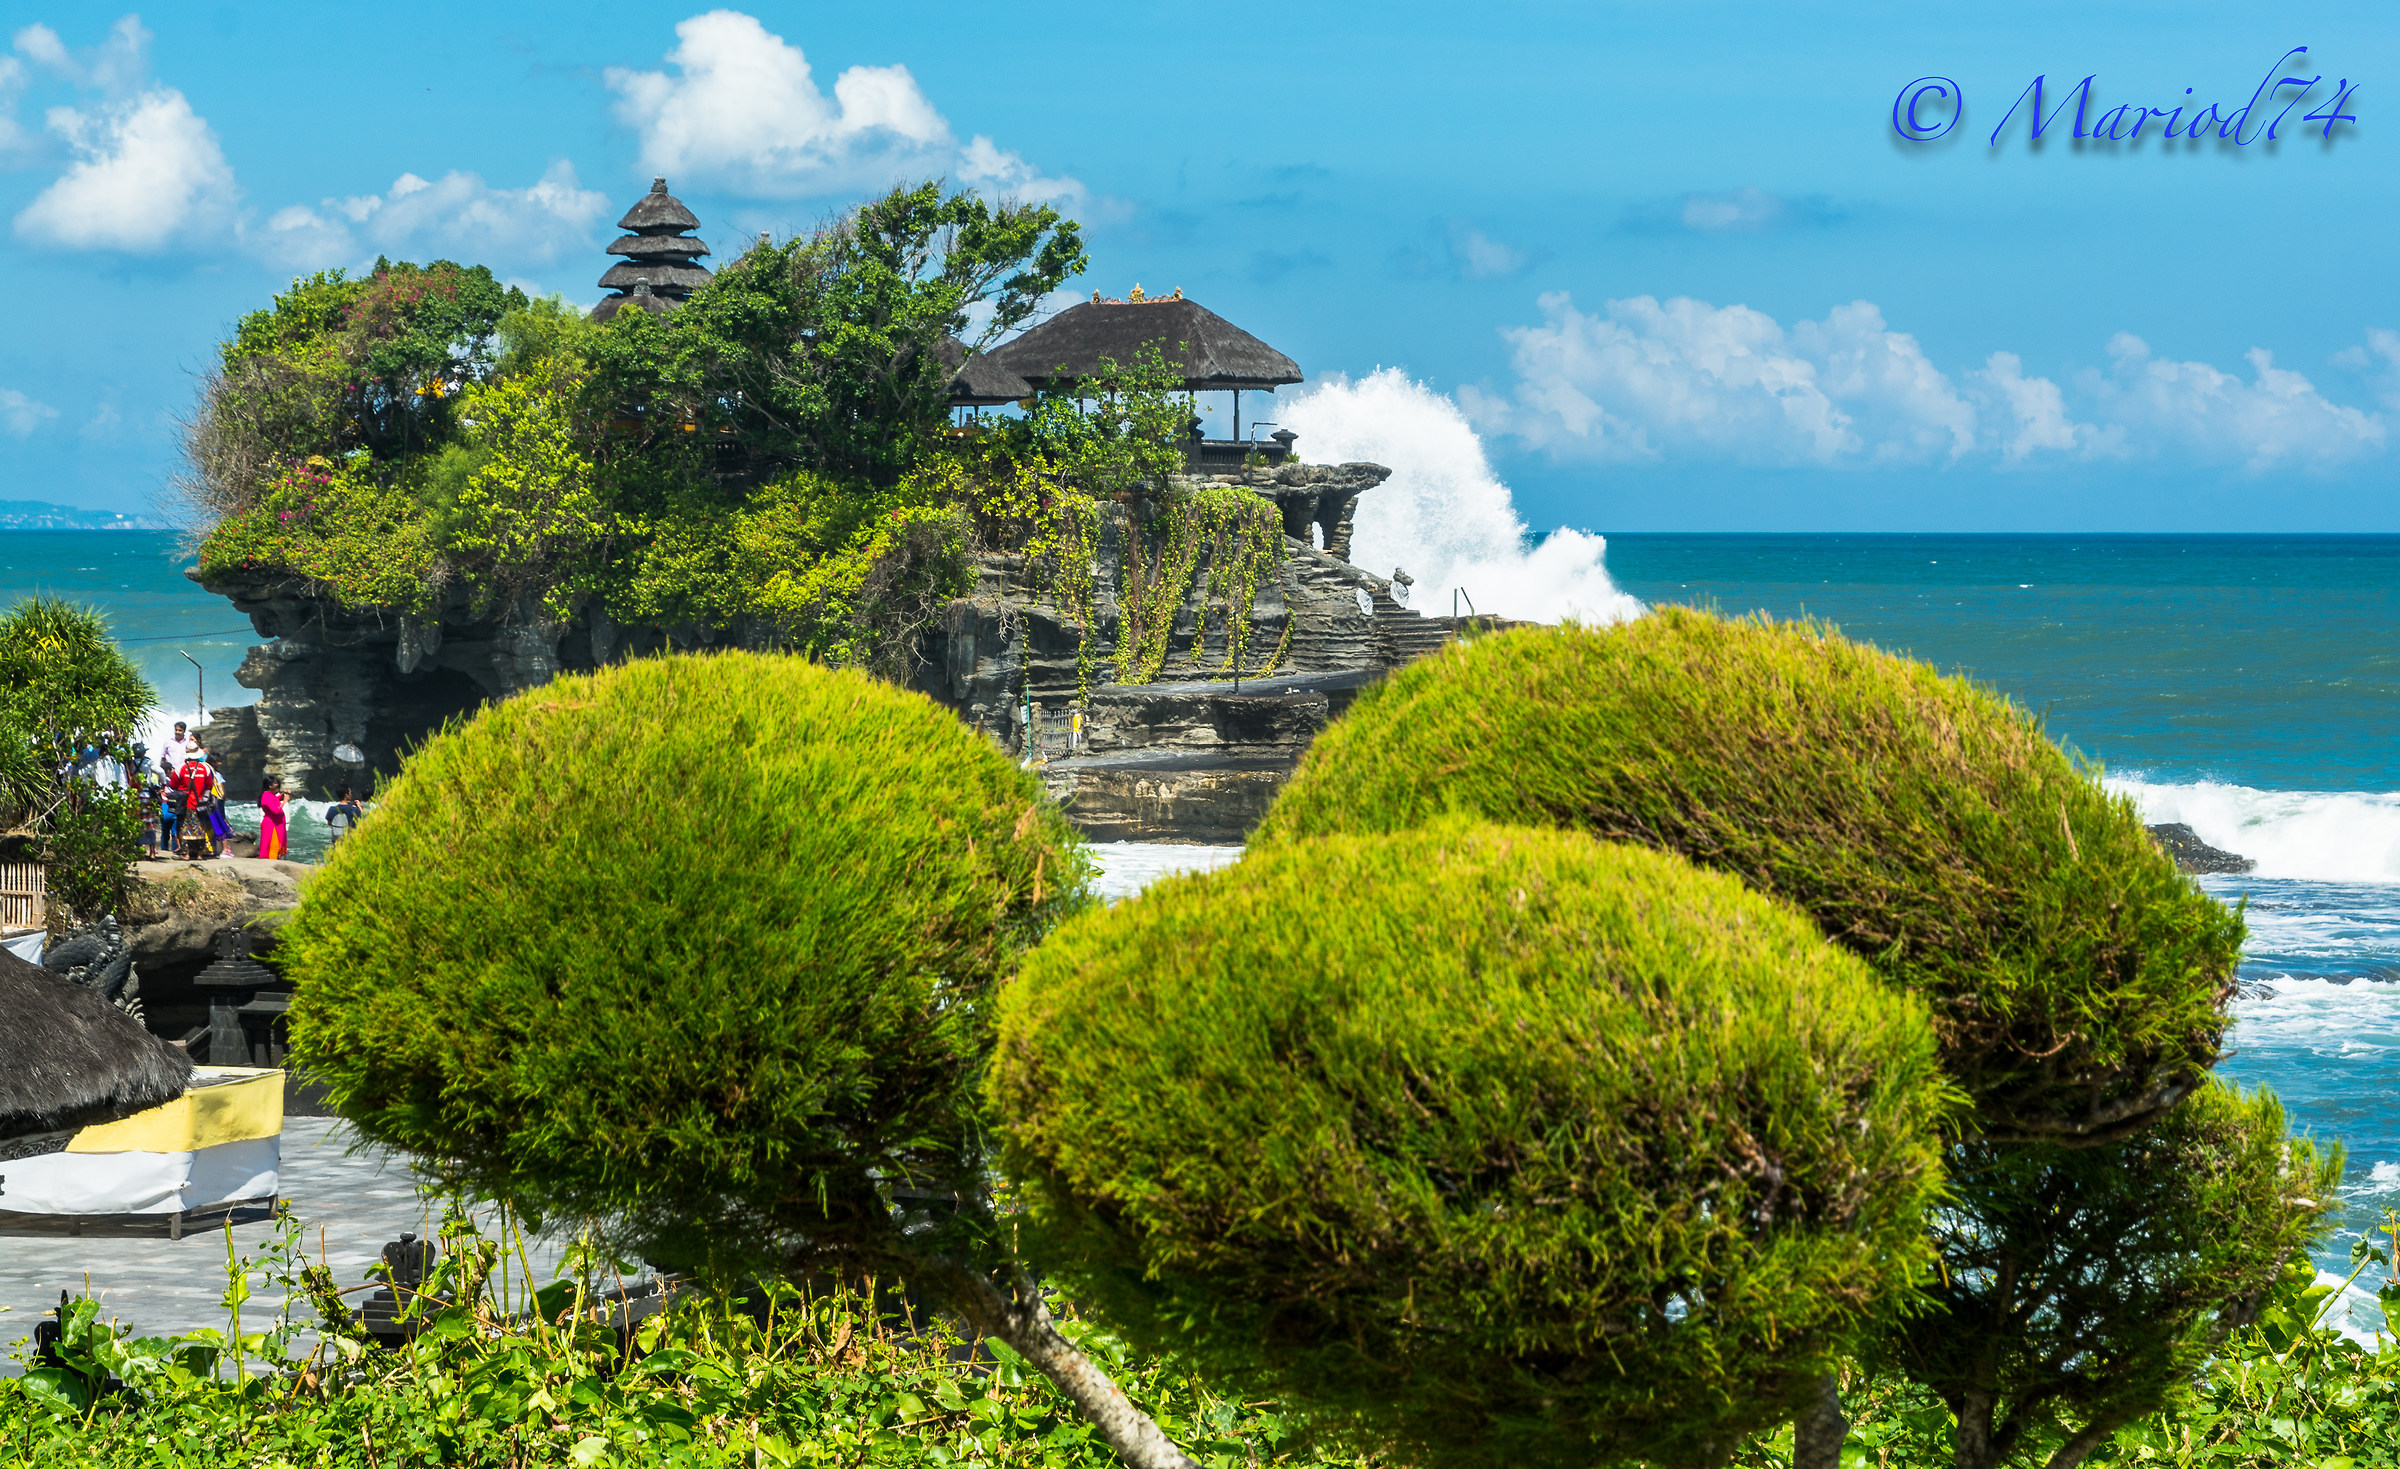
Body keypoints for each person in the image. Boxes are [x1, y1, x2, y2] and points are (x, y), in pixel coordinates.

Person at [257, 775, 290, 861]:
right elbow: (276, 811)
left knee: (276, 845)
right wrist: (284, 802)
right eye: (275, 783)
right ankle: (272, 863)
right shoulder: (266, 796)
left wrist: (282, 796)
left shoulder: (270, 795)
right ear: (269, 786)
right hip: (271, 825)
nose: (277, 784)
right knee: (273, 846)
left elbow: (274, 800)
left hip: (275, 824)